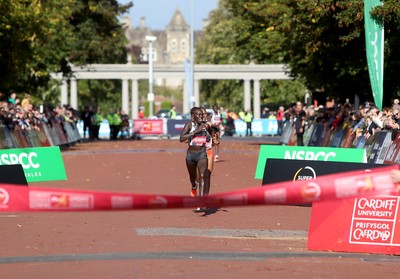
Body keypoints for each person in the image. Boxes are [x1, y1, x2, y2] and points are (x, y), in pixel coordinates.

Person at [180, 106, 210, 212]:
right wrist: (194, 132)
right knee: (193, 178)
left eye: (202, 115)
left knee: (202, 176)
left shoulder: (205, 126)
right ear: (193, 117)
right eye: (199, 115)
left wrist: (209, 138)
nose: (201, 116)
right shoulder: (189, 125)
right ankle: (193, 186)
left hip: (202, 154)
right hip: (191, 156)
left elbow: (210, 135)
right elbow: (181, 138)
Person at [197, 107, 215, 197]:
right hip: (197, 153)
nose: (203, 116)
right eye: (200, 114)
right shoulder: (192, 125)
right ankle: (194, 189)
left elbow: (214, 136)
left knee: (207, 176)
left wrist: (214, 139)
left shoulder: (209, 124)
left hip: (208, 152)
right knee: (199, 177)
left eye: (204, 114)